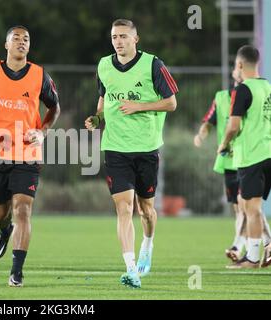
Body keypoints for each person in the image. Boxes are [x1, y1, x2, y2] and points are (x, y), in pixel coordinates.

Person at [85, 19, 178, 288]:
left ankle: (147, 244)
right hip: (115, 148)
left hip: (147, 148)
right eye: (114, 36)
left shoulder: (153, 64)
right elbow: (104, 99)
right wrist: (97, 118)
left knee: (145, 209)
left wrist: (139, 106)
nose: (118, 41)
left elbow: (172, 103)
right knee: (123, 208)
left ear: (135, 39)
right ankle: (130, 268)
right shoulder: (104, 65)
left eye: (124, 36)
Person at [0, 26, 60, 287]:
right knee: (0, 214)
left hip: (27, 154)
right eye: (16, 38)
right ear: (6, 45)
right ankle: (4, 231)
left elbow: (54, 107)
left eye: (26, 39)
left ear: (29, 46)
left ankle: (16, 272)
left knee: (23, 210)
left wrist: (43, 132)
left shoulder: (40, 76)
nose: (21, 42)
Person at [194, 69, 271, 263]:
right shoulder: (221, 97)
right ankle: (261, 244)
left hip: (249, 157)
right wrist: (201, 135)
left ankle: (243, 246)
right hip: (230, 160)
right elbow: (208, 121)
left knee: (248, 205)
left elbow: (237, 126)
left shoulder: (253, 92)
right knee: (242, 207)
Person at [219, 45, 271, 269]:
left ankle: (251, 258)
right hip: (267, 153)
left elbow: (233, 126)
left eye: (235, 66)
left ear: (239, 65)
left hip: (251, 156)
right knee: (251, 205)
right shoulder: (267, 86)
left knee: (250, 208)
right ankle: (258, 252)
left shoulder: (242, 90)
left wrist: (224, 143)